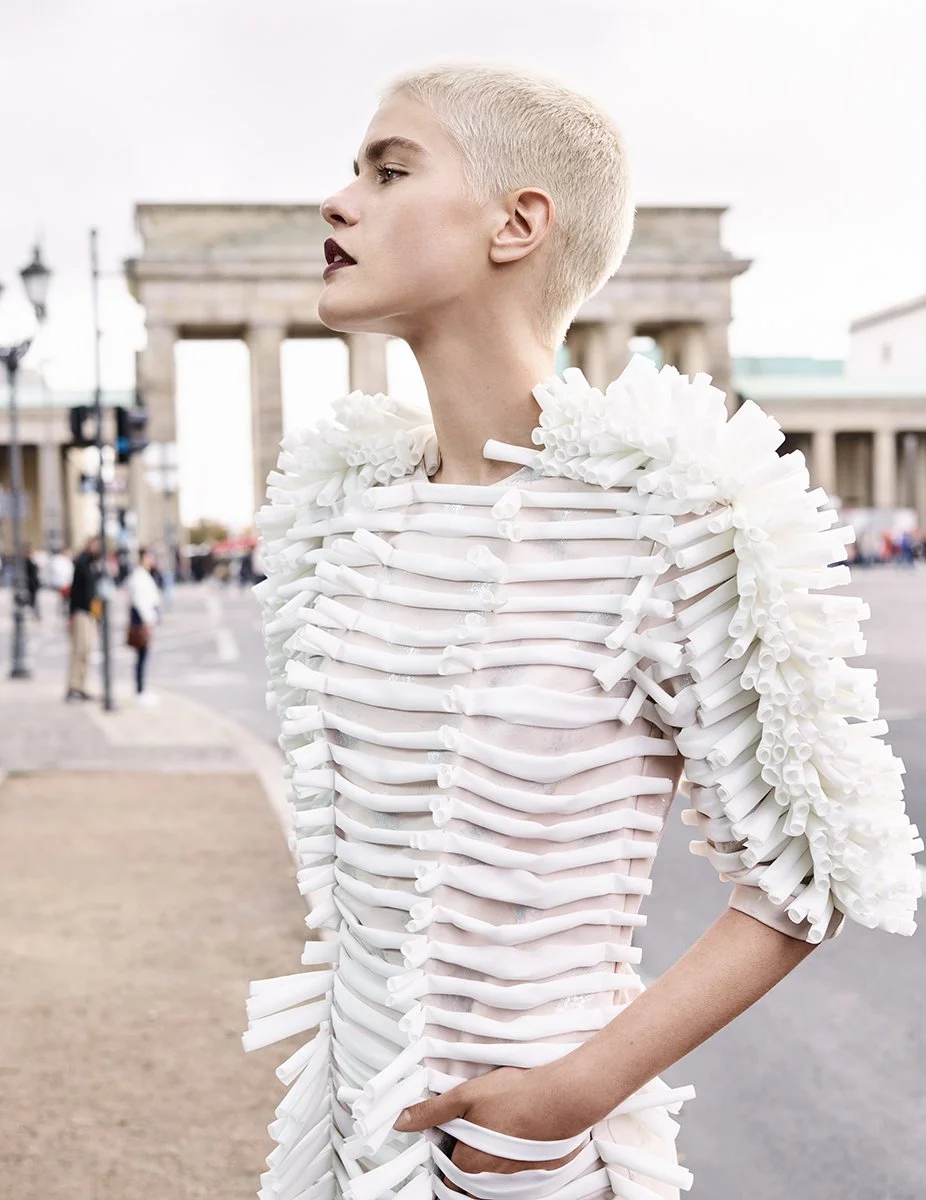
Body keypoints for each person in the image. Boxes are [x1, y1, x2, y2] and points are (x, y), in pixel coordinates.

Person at [244, 65, 923, 1200]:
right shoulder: (343, 513)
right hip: (343, 1135)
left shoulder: (673, 523)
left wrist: (569, 1094)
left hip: (524, 1160)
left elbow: (804, 874)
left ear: (518, 223)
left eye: (388, 169)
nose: (337, 201)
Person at [66, 535, 101, 702]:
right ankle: (73, 687)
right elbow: (76, 591)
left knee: (86, 651)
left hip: (91, 613)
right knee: (79, 650)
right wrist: (71, 614)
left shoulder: (94, 563)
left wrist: (97, 614)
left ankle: (81, 686)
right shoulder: (82, 562)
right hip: (81, 612)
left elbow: (95, 592)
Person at [125, 547, 161, 705]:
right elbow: (140, 601)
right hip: (142, 620)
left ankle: (141, 689)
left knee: (142, 656)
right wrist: (148, 621)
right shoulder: (139, 576)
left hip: (144, 618)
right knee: (142, 655)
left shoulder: (141, 575)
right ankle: (140, 690)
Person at [48, 546, 74, 616]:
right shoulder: (61, 560)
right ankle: (62, 610)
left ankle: (63, 610)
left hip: (65, 582)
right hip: (63, 582)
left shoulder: (64, 560)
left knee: (64, 599)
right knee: (63, 598)